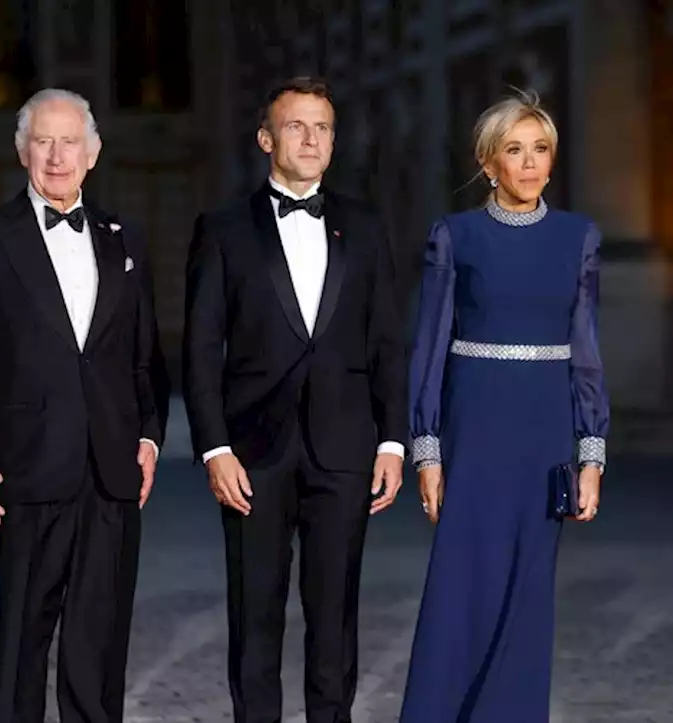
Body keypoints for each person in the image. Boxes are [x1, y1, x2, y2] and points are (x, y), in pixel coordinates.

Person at [0, 88, 169, 723]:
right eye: (44, 141)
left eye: (70, 142)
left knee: (99, 646)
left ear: (92, 154)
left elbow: (145, 358)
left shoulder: (127, 241)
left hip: (112, 476)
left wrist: (148, 438)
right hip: (23, 475)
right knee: (19, 647)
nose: (58, 156)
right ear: (21, 152)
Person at [182, 76, 408, 723]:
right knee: (255, 616)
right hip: (252, 453)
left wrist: (393, 438)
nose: (311, 139)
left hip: (345, 449)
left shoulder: (365, 227)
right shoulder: (222, 229)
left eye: (322, 128)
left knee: (335, 616)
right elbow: (202, 347)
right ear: (265, 138)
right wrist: (214, 446)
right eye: (296, 126)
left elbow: (388, 338)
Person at [398, 92, 608, 722]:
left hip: (544, 436)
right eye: (514, 150)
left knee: (528, 591)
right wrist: (426, 450)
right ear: (489, 164)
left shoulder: (579, 237)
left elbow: (587, 352)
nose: (529, 163)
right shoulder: (455, 235)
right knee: (460, 587)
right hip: (475, 427)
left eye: (540, 149)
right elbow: (429, 347)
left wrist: (591, 454)